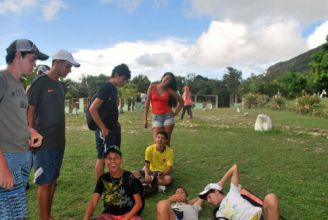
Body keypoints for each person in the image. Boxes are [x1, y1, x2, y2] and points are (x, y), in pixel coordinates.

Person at [27, 49, 80, 220]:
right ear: (58, 62)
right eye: (68, 66)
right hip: (43, 142)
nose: (69, 70)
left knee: (53, 181)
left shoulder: (60, 86)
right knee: (44, 183)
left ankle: (48, 215)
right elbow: (31, 109)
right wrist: (31, 133)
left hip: (59, 142)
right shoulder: (40, 82)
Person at [0, 39, 46, 220]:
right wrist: (2, 166)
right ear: (18, 55)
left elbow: (12, 119)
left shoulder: (19, 84)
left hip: (22, 156)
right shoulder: (2, 79)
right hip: (7, 157)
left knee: (18, 213)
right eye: (33, 59)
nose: (35, 64)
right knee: (6, 213)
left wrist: (30, 131)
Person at [89, 64, 131, 181]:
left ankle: (113, 182)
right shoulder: (106, 88)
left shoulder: (112, 89)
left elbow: (108, 110)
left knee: (113, 156)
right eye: (123, 79)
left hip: (112, 128)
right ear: (116, 75)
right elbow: (93, 109)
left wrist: (115, 123)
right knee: (102, 157)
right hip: (105, 130)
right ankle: (99, 188)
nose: (124, 83)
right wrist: (103, 128)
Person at [199, 164, 280, 220]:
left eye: (209, 197)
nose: (209, 201)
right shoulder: (219, 213)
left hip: (260, 215)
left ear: (216, 191)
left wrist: (220, 184)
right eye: (207, 199)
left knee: (271, 197)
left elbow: (234, 168)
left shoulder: (233, 192)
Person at [84, 145, 143, 220]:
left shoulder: (130, 177)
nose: (113, 161)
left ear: (121, 160)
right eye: (109, 158)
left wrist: (125, 218)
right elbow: (93, 202)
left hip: (128, 215)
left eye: (116, 158)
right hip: (109, 215)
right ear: (105, 161)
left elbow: (139, 204)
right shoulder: (103, 178)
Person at [144, 72, 184, 146]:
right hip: (156, 117)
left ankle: (167, 158)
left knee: (166, 142)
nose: (168, 81)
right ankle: (155, 158)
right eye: (167, 78)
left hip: (168, 117)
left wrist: (175, 113)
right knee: (156, 142)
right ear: (163, 78)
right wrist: (145, 119)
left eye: (170, 81)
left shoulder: (169, 90)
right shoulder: (152, 87)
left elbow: (181, 101)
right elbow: (147, 104)